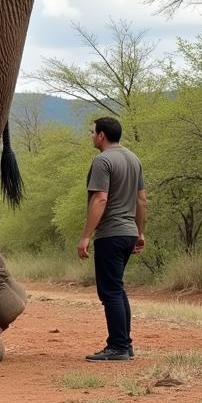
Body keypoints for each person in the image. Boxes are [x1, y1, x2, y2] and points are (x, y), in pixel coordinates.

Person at [77, 116, 146, 361]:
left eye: (92, 131)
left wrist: (86, 236)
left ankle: (117, 346)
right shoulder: (133, 159)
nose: (90, 135)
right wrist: (139, 232)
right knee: (116, 288)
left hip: (111, 233)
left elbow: (100, 199)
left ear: (101, 135)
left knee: (109, 291)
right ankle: (124, 345)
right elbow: (141, 200)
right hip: (128, 232)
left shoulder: (103, 161)